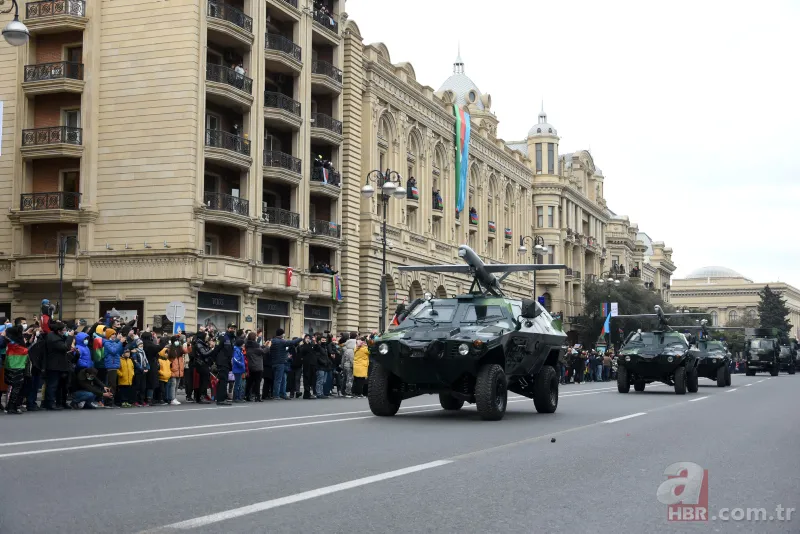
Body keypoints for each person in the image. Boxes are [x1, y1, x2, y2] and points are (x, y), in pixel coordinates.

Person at [43, 321, 70, 410]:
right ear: (59, 331)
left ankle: (58, 402)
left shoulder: (55, 336)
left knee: (58, 385)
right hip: (54, 365)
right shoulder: (54, 338)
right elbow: (65, 347)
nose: (66, 331)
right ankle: (50, 403)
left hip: (58, 365)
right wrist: (70, 337)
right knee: (52, 385)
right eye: (64, 330)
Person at [269, 328, 300, 400]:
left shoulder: (273, 341)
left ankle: (283, 394)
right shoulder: (280, 341)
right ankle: (276, 394)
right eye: (283, 333)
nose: (284, 335)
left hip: (276, 362)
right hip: (280, 363)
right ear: (281, 334)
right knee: (279, 379)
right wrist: (301, 338)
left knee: (283, 379)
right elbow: (291, 342)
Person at [3, 326, 28, 414]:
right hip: (19, 367)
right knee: (16, 388)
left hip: (9, 366)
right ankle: (12, 406)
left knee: (11, 387)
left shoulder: (9, 344)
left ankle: (9, 406)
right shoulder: (20, 345)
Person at [215, 323, 237, 405]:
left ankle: (220, 398)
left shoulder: (232, 339)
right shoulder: (222, 337)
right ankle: (221, 399)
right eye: (231, 328)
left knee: (224, 380)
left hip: (227, 362)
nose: (233, 330)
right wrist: (215, 361)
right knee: (223, 380)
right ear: (228, 328)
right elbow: (216, 349)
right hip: (222, 362)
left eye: (234, 328)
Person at [244, 331, 264, 402]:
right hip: (258, 366)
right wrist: (268, 346)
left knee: (249, 382)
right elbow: (263, 351)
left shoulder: (247, 346)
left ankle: (247, 396)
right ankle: (257, 397)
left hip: (250, 366)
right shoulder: (256, 347)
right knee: (257, 382)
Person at [298, 334, 316, 399]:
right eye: (306, 338)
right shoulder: (302, 346)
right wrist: (306, 343)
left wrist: (313, 342)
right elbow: (303, 351)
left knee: (311, 379)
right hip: (306, 364)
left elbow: (315, 350)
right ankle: (306, 393)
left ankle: (309, 393)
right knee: (306, 378)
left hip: (312, 364)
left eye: (309, 338)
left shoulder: (312, 345)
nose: (308, 339)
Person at [168, 336, 184, 406]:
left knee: (177, 385)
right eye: (176, 340)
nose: (177, 342)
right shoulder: (170, 348)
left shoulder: (180, 348)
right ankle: (172, 398)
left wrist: (188, 345)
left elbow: (186, 351)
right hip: (173, 369)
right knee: (173, 384)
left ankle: (174, 397)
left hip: (179, 369)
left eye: (178, 340)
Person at [341, 332, 357, 397]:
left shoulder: (346, 349)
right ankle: (348, 392)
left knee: (345, 379)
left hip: (345, 365)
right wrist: (354, 366)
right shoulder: (351, 351)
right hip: (349, 366)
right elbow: (352, 359)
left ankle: (343, 391)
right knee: (349, 379)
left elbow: (343, 359)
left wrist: (342, 365)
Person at [231, 337, 246, 403]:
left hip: (238, 369)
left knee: (238, 384)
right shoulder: (237, 350)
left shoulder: (238, 350)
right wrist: (242, 364)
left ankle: (238, 397)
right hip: (238, 369)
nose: (244, 345)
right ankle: (236, 397)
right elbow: (236, 359)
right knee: (238, 384)